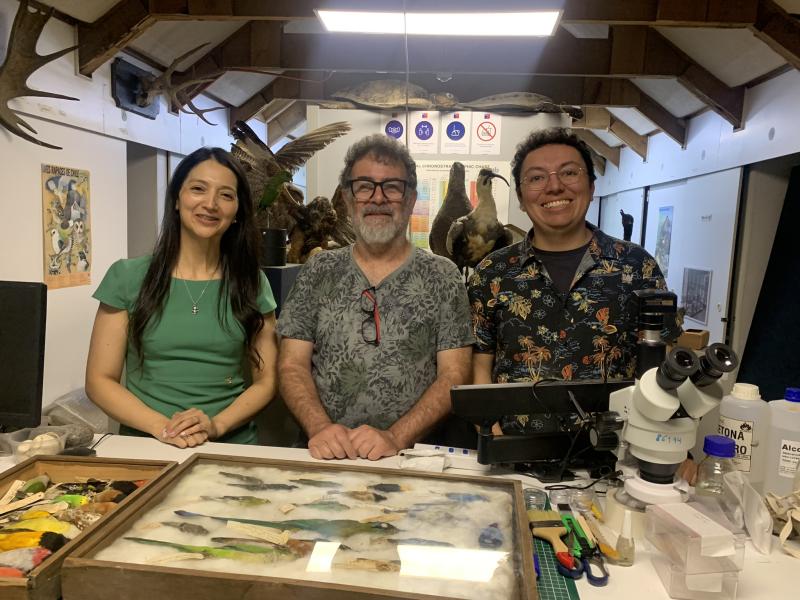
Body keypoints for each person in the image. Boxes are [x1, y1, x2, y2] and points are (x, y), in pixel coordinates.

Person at [468, 128, 680, 434]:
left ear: (592, 187)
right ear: (521, 198)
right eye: (537, 177)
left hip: (616, 450)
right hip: (514, 449)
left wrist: (665, 440)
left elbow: (665, 361)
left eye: (569, 172)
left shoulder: (638, 267)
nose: (554, 186)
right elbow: (480, 365)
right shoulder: (492, 272)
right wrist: (492, 433)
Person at [277, 134, 474, 461]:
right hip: (325, 453)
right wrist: (321, 428)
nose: (378, 198)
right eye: (364, 186)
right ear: (347, 198)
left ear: (410, 199)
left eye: (392, 187)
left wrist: (396, 437)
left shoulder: (443, 276)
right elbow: (292, 365)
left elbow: (454, 375)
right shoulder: (318, 271)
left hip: (413, 460)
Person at [86, 147, 278, 447]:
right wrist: (165, 429)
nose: (210, 204)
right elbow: (99, 380)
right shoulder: (127, 277)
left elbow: (266, 381)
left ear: (238, 212)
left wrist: (215, 426)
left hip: (229, 445)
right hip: (148, 445)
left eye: (226, 195)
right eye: (198, 189)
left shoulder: (252, 283)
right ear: (177, 199)